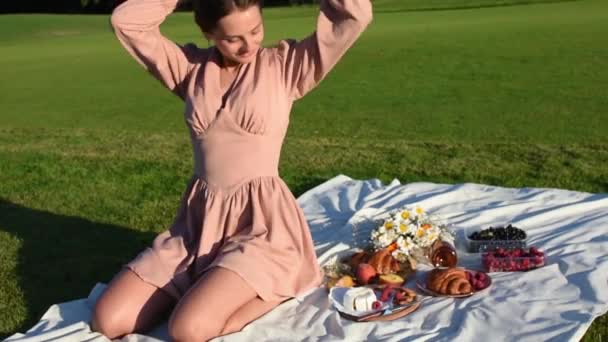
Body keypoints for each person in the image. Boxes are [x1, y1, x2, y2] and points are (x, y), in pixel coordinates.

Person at [91, 0, 372, 340]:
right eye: (232, 38)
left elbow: (355, 14)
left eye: (255, 30)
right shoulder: (189, 69)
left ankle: (279, 287)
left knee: (188, 330)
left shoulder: (286, 66)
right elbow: (127, 23)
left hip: (262, 228)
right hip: (196, 228)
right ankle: (203, 286)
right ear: (209, 34)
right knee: (108, 320)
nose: (248, 44)